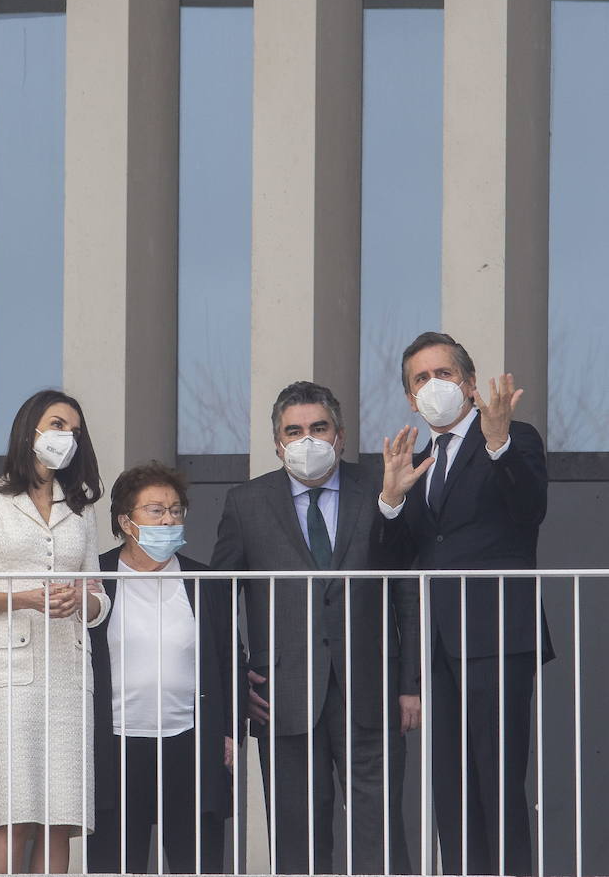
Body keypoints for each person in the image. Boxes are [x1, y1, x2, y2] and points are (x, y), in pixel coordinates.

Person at [211, 381, 420, 875]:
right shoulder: (246, 502)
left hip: (373, 691)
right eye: (295, 430)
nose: (308, 439)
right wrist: (237, 678)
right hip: (281, 695)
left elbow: (407, 591)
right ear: (278, 443)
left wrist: (409, 683)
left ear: (341, 436)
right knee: (298, 842)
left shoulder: (381, 487)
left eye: (319, 428)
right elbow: (218, 597)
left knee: (381, 837)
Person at [376, 331, 552, 877]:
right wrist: (390, 500)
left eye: (444, 374)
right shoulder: (418, 463)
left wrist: (497, 444)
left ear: (471, 384)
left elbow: (531, 510)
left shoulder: (513, 437)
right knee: (448, 789)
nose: (433, 386)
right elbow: (394, 562)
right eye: (420, 379)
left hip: (498, 633)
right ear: (409, 398)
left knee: (498, 784)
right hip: (439, 645)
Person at [0, 389, 109, 875]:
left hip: (70, 672)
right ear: (30, 429)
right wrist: (24, 597)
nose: (67, 437)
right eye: (58, 425)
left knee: (62, 817)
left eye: (74, 432)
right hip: (10, 674)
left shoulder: (80, 505)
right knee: (13, 813)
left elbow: (101, 596)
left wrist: (83, 599)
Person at [88, 462, 237, 874]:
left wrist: (229, 731)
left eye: (176, 509)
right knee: (115, 863)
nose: (169, 518)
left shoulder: (201, 579)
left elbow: (228, 657)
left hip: (190, 742)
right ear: (125, 520)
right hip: (114, 742)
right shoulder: (96, 576)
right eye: (155, 510)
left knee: (197, 863)